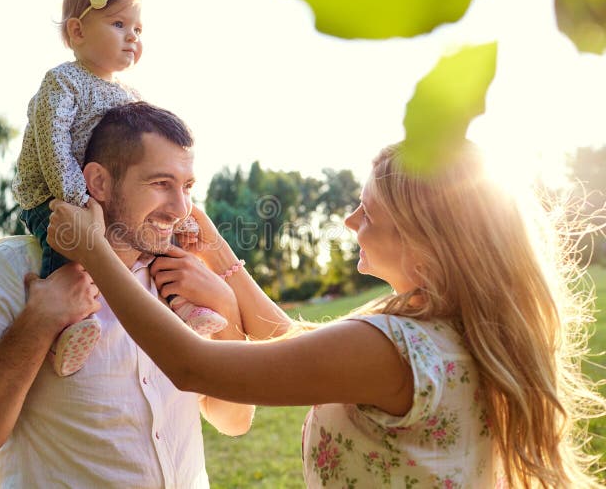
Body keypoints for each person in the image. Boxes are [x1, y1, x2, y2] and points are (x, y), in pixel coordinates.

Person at [48, 139, 606, 488]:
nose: (350, 220)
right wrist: (207, 233)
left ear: (425, 238)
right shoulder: (450, 332)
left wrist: (93, 249)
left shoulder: (389, 348)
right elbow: (291, 335)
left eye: (370, 210)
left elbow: (194, 366)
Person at [0, 102, 255, 487]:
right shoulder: (13, 270)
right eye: (160, 184)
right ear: (98, 182)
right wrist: (40, 320)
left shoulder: (185, 279)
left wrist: (226, 307)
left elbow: (234, 421)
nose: (180, 209)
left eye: (187, 187)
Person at [12, 0, 224, 376]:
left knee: (159, 240)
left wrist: (183, 218)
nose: (133, 37)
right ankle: (67, 327)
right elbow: (52, 140)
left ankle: (182, 305)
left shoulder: (130, 95)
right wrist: (77, 200)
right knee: (69, 247)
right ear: (77, 31)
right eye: (119, 25)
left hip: (106, 194)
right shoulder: (62, 82)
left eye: (138, 29)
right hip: (54, 194)